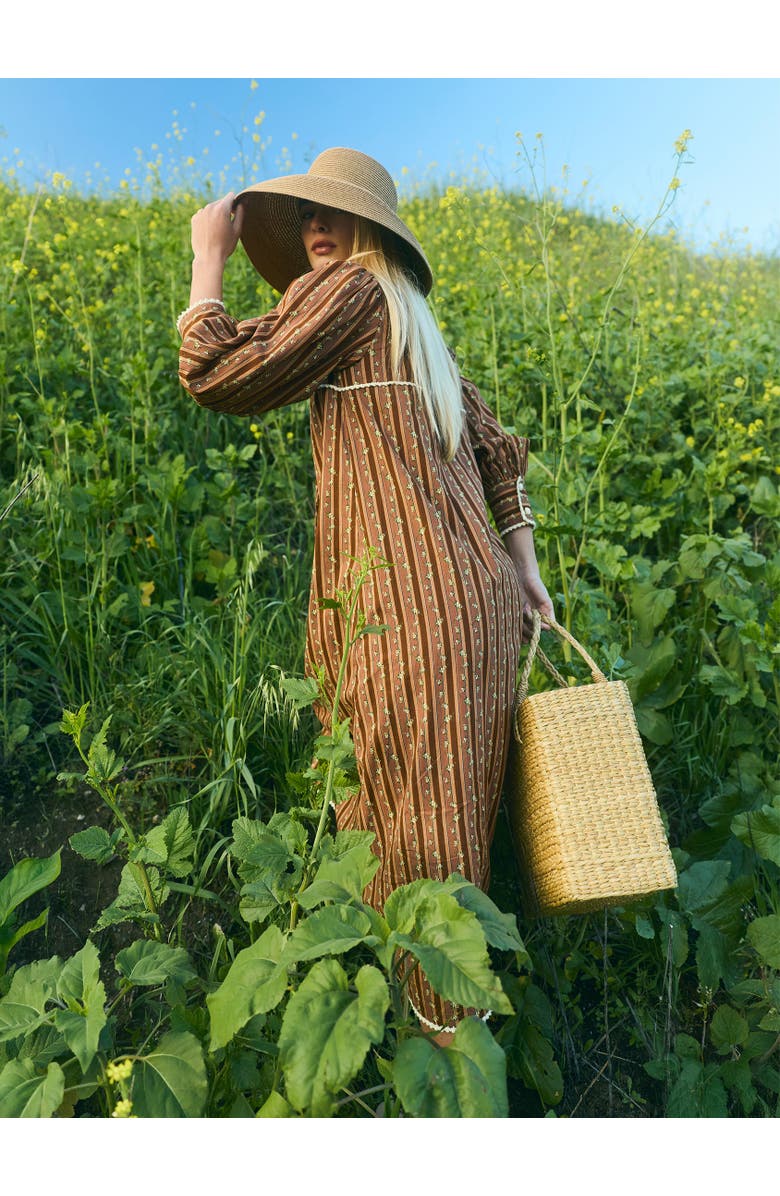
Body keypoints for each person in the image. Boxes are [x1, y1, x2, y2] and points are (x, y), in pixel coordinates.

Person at [177, 147, 554, 1044]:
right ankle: (443, 1016)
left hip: (408, 607)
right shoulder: (414, 323)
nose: (317, 226)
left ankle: (440, 1040)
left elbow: (216, 373)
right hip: (469, 602)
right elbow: (497, 452)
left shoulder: (349, 292)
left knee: (410, 820)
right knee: (444, 808)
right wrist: (526, 568)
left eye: (336, 213)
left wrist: (208, 259)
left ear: (371, 232)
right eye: (309, 213)